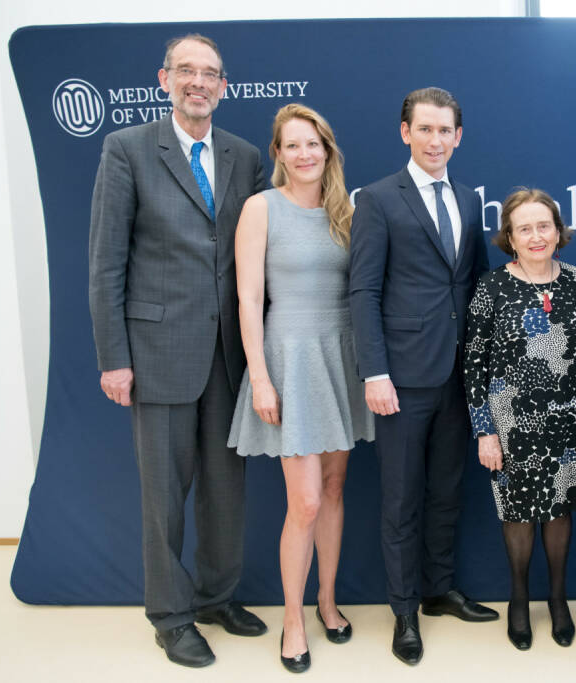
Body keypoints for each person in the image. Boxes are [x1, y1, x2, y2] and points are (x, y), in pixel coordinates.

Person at [88, 34, 267, 668]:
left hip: (229, 356)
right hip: (157, 352)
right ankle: (170, 616)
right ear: (164, 79)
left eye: (209, 73)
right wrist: (114, 357)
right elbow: (106, 263)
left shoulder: (245, 156)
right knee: (164, 497)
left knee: (226, 491)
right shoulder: (128, 149)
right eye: (186, 70)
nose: (198, 81)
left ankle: (216, 598)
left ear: (224, 86)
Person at [349, 86, 494, 665]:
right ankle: (404, 610)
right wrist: (374, 371)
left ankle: (438, 590)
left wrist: (485, 368)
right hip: (402, 379)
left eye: (445, 130)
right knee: (401, 499)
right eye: (425, 129)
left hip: (459, 378)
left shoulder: (469, 199)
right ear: (405, 132)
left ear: (459, 137)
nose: (436, 140)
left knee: (447, 492)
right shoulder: (378, 199)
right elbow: (364, 291)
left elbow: (476, 285)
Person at [227, 103, 374, 673]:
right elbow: (248, 300)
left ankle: (327, 602)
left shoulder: (347, 212)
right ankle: (293, 618)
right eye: (293, 145)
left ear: (327, 150)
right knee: (305, 501)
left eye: (313, 143)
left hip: (341, 358)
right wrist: (260, 378)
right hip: (289, 359)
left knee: (334, 489)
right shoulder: (261, 208)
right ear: (279, 154)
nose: (305, 153)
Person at [463, 189, 576, 651]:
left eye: (544, 226)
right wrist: (485, 430)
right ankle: (519, 599)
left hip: (569, 420)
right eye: (524, 229)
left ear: (557, 231)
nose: (536, 236)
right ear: (510, 238)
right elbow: (473, 364)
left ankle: (558, 599)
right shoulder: (491, 287)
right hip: (511, 425)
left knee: (559, 509)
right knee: (517, 513)